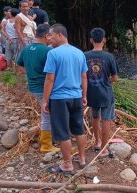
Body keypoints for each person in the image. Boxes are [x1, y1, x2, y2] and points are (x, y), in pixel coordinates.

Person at [42, 24, 88, 173]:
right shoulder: (79, 53)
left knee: (62, 132)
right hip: (76, 96)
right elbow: (84, 76)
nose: (48, 38)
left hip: (59, 98)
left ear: (60, 35)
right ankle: (82, 159)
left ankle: (67, 164)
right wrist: (84, 95)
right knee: (79, 129)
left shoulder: (53, 54)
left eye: (51, 35)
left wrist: (45, 100)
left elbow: (49, 79)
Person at [17, 24, 59, 153]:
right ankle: (46, 144)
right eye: (50, 36)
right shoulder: (47, 51)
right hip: (44, 87)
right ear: (46, 36)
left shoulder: (26, 49)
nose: (51, 39)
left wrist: (31, 74)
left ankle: (52, 138)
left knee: (48, 113)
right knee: (47, 115)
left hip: (33, 87)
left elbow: (19, 64)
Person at [85, 28, 118, 158]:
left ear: (91, 40)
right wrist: (107, 80)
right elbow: (115, 78)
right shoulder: (109, 57)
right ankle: (104, 149)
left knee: (95, 117)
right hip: (105, 93)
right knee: (106, 120)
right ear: (104, 40)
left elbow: (82, 75)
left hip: (91, 93)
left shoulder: (84, 56)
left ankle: (97, 142)